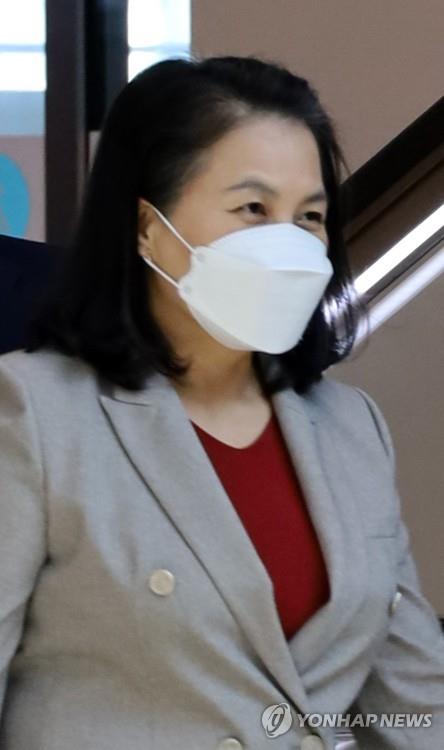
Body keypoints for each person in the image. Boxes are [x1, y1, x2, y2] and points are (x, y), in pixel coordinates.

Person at [0, 55, 443, 750]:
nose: (288, 243)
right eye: (253, 210)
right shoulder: (34, 413)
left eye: (310, 216)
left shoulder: (351, 426)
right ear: (147, 227)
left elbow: (415, 700)